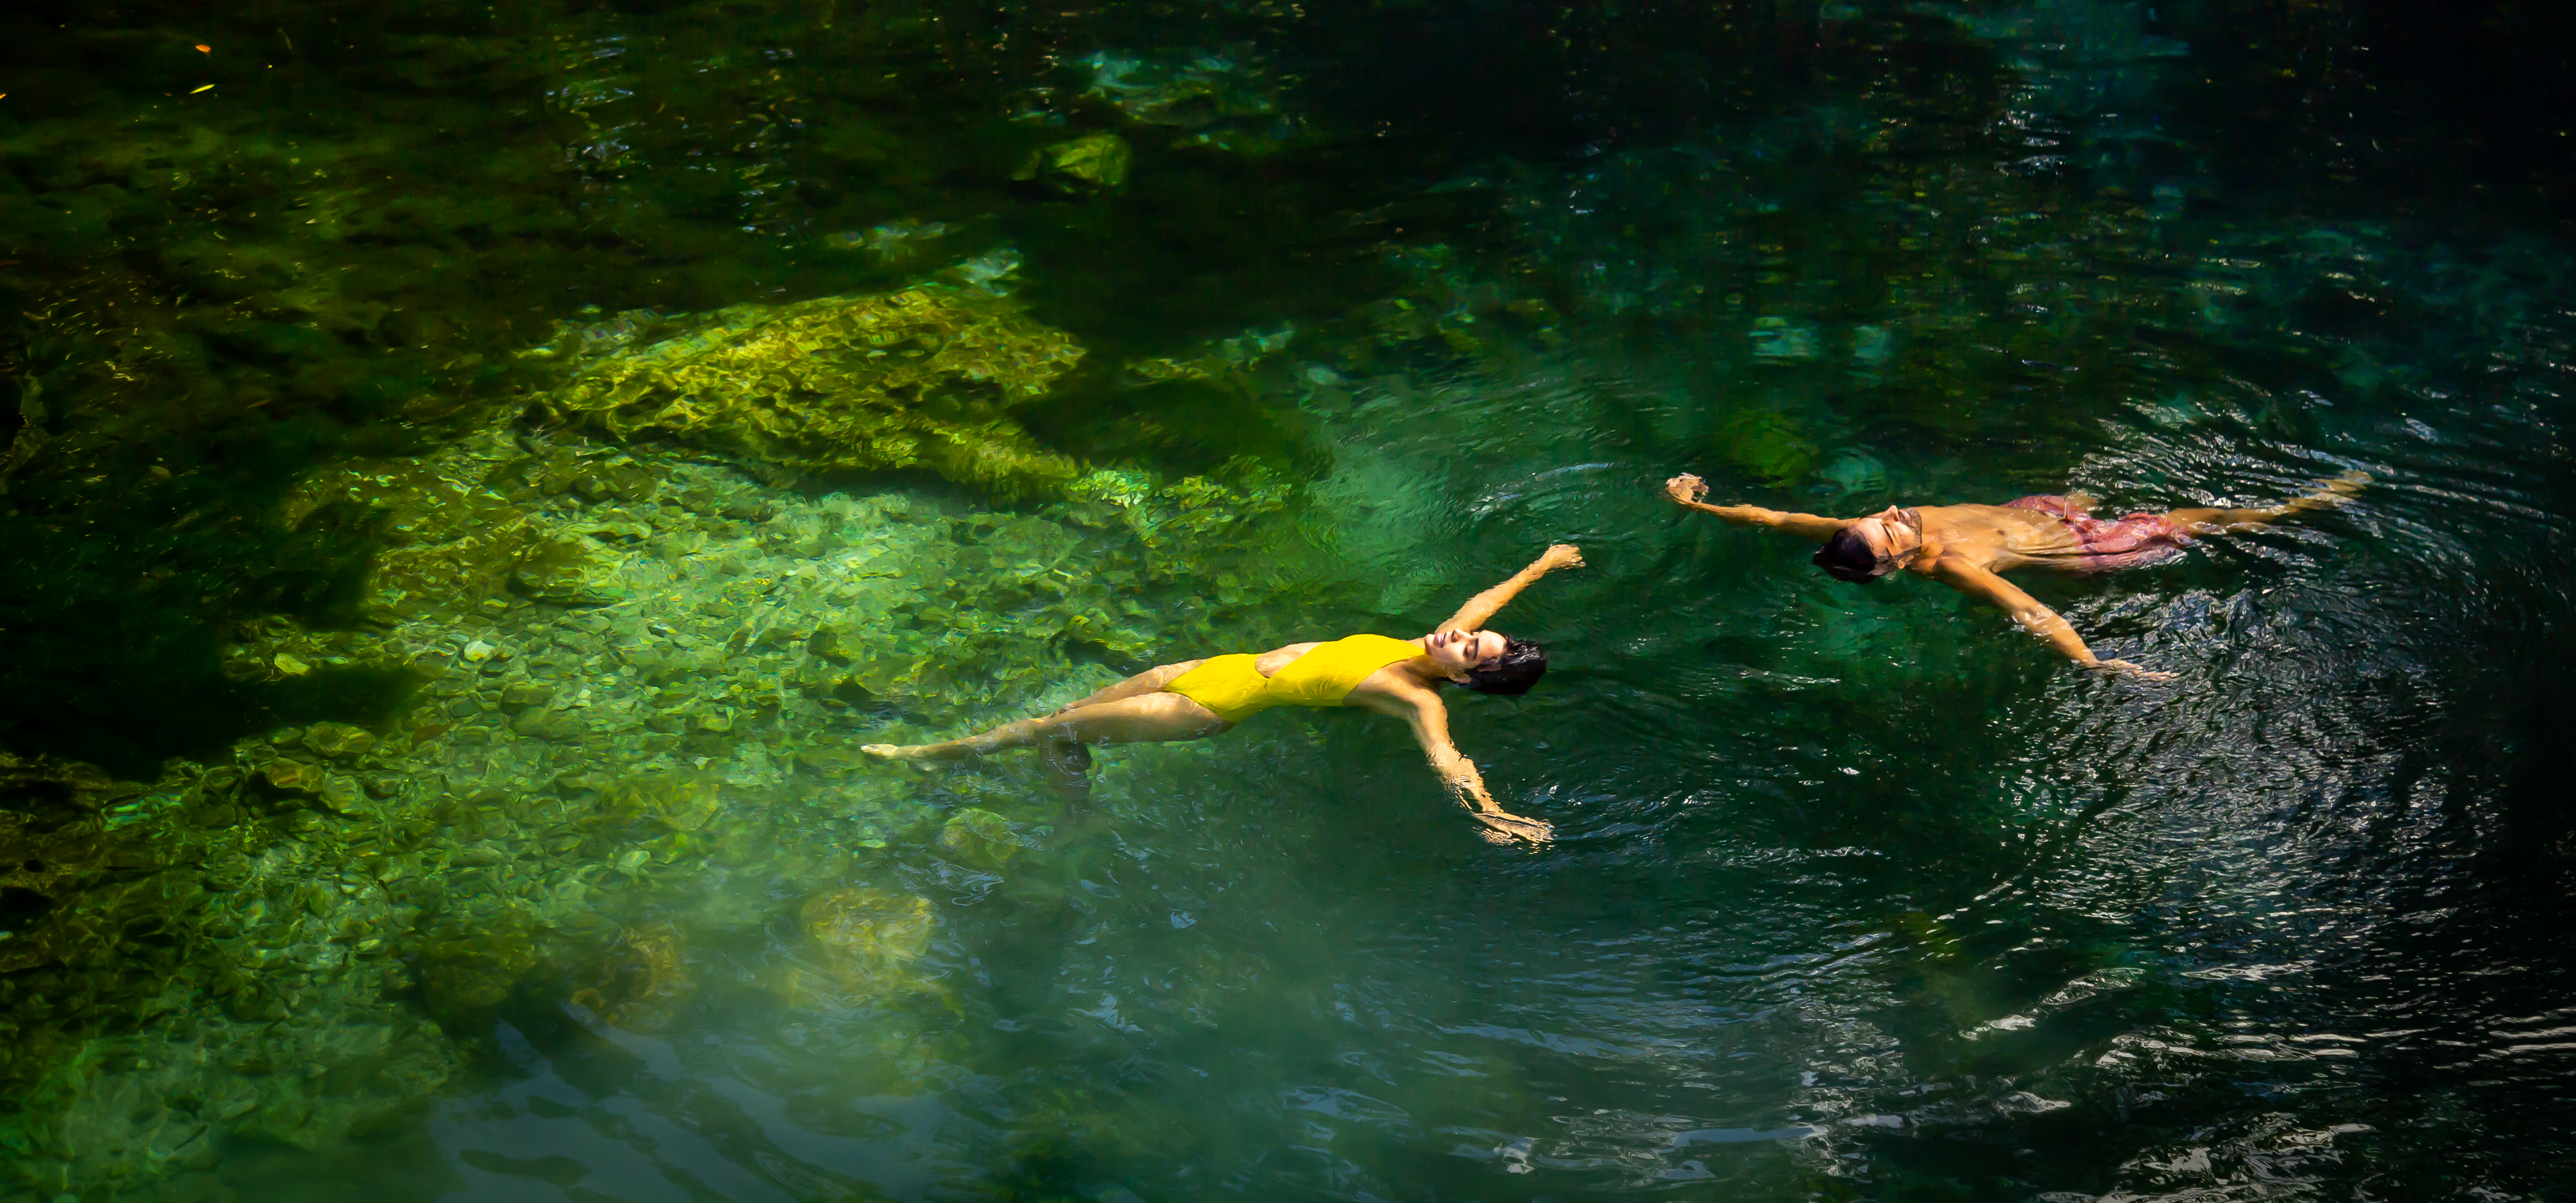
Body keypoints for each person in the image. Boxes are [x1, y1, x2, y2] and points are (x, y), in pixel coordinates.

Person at [860, 543, 1587, 844]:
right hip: (1207, 668)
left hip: (1205, 708)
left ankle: (935, 757)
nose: (1460, 635)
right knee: (1070, 719)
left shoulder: (1420, 695)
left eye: (1470, 649)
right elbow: (1483, 601)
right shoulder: (1432, 643)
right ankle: (1074, 795)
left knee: (1050, 730)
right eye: (1470, 636)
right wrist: (1542, 567)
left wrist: (1496, 816)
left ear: (1463, 678)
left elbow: (1448, 760)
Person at [1662, 472, 2369, 681]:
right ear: (1898, 563)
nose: (1894, 511)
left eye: (1885, 515)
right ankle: (2296, 510)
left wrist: (1700, 505)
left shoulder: (1868, 529)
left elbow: (1779, 519)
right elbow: (2030, 610)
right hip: (2089, 549)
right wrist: (2095, 662)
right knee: (2197, 521)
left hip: (2033, 511)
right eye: (1891, 529)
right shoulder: (1951, 566)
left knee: (2082, 493)